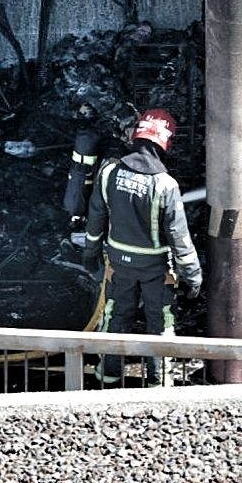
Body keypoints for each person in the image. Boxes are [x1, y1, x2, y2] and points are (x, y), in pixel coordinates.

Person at [82, 107, 202, 385]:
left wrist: (90, 255)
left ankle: (108, 377)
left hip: (119, 265)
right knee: (160, 323)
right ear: (165, 142)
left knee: (115, 317)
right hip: (156, 270)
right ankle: (158, 383)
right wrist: (192, 278)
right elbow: (180, 239)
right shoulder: (165, 185)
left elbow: (96, 217)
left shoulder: (109, 171)